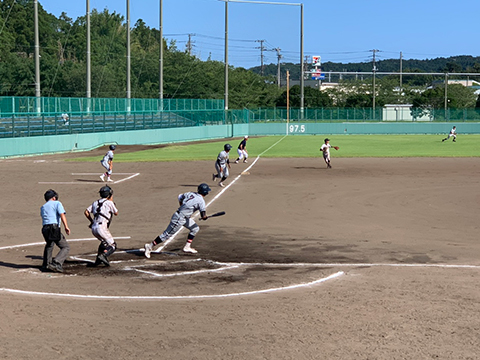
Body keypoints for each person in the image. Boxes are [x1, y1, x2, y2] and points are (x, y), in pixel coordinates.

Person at [144, 183, 211, 257]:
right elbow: (203, 215)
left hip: (184, 217)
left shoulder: (191, 193)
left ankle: (187, 247)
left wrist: (182, 207)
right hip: (179, 218)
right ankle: (149, 246)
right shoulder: (201, 201)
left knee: (195, 228)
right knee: (167, 234)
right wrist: (205, 217)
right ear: (205, 192)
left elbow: (180, 197)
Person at [84, 185, 119, 267]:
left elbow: (86, 212)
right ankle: (103, 255)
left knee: (104, 243)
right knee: (113, 245)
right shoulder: (109, 203)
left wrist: (92, 221)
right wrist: (111, 201)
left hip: (94, 228)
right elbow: (116, 213)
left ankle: (98, 260)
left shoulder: (95, 202)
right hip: (102, 227)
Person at [40, 189, 70, 273]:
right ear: (53, 198)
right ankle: (56, 262)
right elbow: (62, 214)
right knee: (65, 247)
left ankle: (46, 264)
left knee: (49, 245)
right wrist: (66, 227)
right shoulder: (57, 203)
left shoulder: (43, 207)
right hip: (53, 228)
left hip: (45, 228)